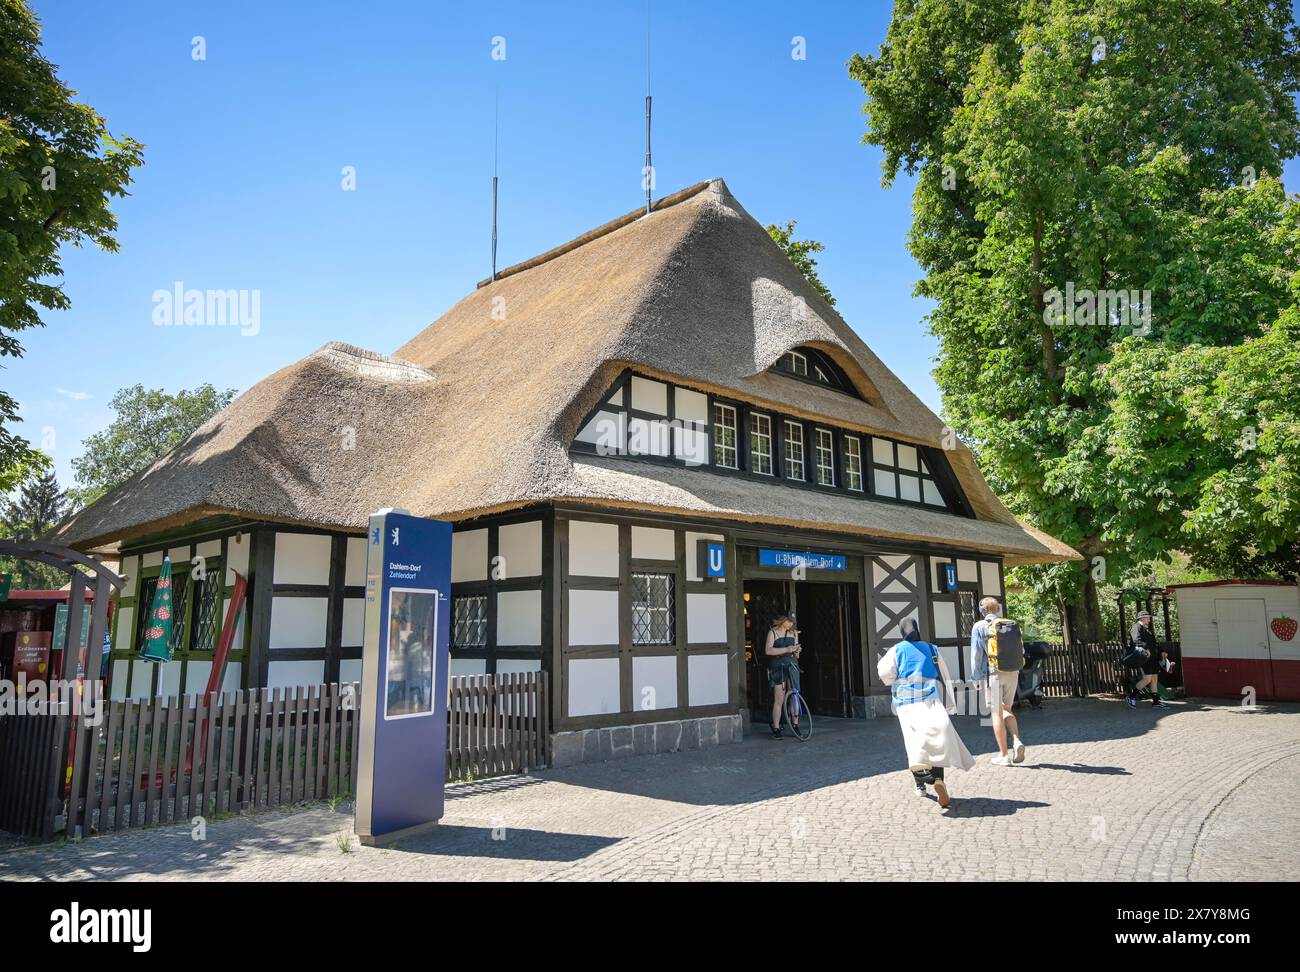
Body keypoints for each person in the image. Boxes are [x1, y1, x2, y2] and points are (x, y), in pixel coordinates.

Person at [877, 618, 974, 808]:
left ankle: (921, 784)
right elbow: (943, 675)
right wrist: (949, 703)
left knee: (914, 743)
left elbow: (885, 673)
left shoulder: (897, 649)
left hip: (907, 704)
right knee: (936, 740)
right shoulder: (931, 648)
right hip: (930, 700)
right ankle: (939, 780)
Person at [969, 596, 1026, 766]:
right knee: (1007, 708)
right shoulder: (1010, 624)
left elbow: (976, 655)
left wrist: (976, 678)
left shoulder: (980, 626)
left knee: (996, 713)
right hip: (1012, 671)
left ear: (982, 610)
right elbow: (1021, 649)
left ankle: (1004, 755)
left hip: (993, 673)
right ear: (997, 609)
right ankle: (1016, 740)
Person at [764, 613, 801, 739]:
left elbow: (796, 654)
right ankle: (776, 727)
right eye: (788, 621)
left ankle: (795, 724)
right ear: (783, 620)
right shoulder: (772, 633)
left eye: (792, 622)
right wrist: (786, 649)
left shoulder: (794, 633)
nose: (790, 624)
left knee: (794, 694)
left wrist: (797, 651)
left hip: (792, 664)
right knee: (779, 698)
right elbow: (768, 650)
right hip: (778, 666)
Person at [1126, 610, 1168, 709]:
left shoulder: (1147, 630)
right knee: (1147, 679)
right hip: (1145, 657)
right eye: (1148, 617)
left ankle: (1156, 702)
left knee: (1154, 679)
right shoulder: (1136, 627)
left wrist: (1162, 651)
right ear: (1142, 618)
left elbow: (1155, 644)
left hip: (1153, 658)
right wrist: (1146, 649)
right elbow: (1137, 640)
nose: (1149, 619)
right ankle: (1131, 697)